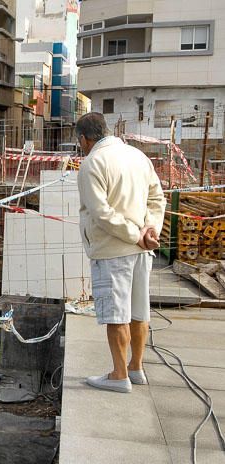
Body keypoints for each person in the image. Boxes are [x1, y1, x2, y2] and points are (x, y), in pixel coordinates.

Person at [76, 112, 165, 394]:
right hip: (142, 251)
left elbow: (101, 213)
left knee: (116, 315)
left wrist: (133, 235)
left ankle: (119, 374)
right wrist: (151, 230)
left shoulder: (92, 164)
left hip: (113, 250)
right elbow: (156, 197)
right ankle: (136, 368)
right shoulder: (138, 156)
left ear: (84, 139)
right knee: (139, 311)